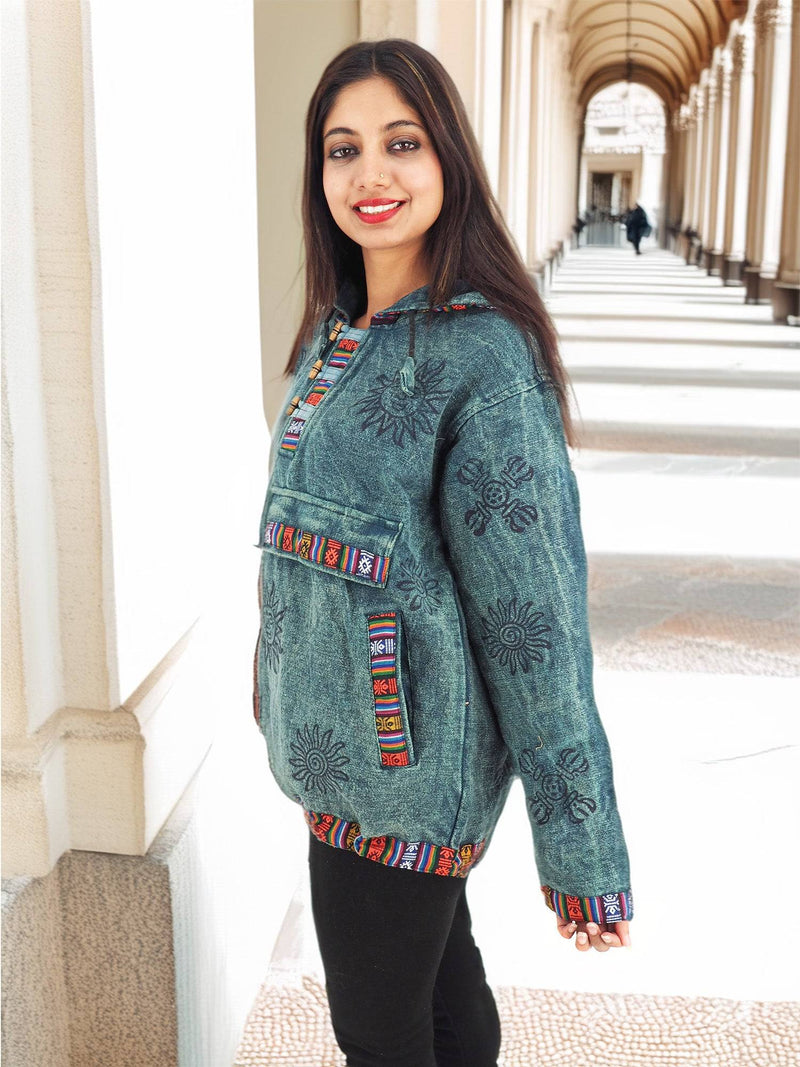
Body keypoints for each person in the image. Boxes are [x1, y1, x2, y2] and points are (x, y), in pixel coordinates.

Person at [253, 38, 633, 1067]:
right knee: (439, 990)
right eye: (341, 149)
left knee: (378, 1032)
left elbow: (533, 617)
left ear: (447, 161)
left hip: (407, 772)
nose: (368, 174)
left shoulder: (484, 361)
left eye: (400, 143)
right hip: (343, 755)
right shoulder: (341, 330)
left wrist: (579, 842)